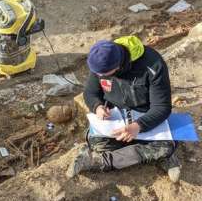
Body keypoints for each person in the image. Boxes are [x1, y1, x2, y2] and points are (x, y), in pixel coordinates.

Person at [67, 36, 181, 182]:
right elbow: (90, 92)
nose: (99, 76)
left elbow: (162, 107)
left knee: (166, 147)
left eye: (103, 74)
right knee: (97, 143)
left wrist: (138, 126)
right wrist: (97, 107)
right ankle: (151, 155)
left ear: (117, 67)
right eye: (97, 73)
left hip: (146, 118)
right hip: (116, 119)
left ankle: (99, 162)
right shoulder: (101, 61)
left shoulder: (153, 64)